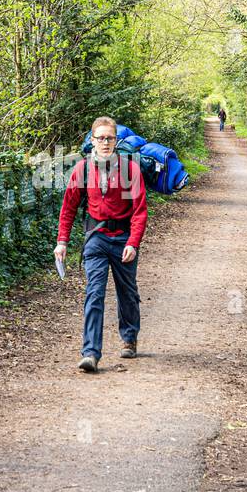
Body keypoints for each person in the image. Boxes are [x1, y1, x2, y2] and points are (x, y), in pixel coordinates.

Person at [54, 116, 148, 373]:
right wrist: (62, 242)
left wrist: (133, 243)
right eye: (101, 138)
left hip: (123, 238)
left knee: (127, 293)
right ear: (92, 141)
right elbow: (69, 208)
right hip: (95, 239)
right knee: (94, 293)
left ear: (116, 141)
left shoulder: (131, 170)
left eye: (110, 138)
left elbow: (139, 211)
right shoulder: (82, 170)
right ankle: (90, 353)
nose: (105, 142)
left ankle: (129, 337)